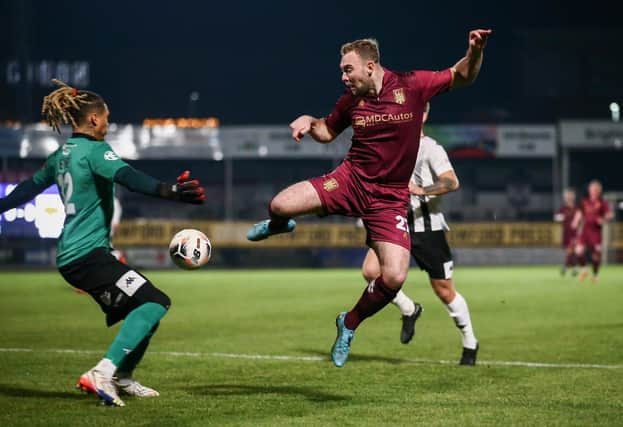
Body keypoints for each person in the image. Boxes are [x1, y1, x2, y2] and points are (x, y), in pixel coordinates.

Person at [246, 30, 491, 367]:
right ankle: (280, 224)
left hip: (389, 200)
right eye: (342, 71)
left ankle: (348, 323)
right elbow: (327, 132)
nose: (343, 77)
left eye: (348, 70)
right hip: (351, 180)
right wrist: (309, 120)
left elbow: (463, 75)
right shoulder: (351, 101)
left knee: (393, 276)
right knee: (279, 204)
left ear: (370, 66)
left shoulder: (413, 85)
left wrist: (475, 50)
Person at [0, 80, 206, 406]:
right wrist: (170, 191)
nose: (108, 123)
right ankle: (105, 372)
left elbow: (28, 189)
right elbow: (128, 176)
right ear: (94, 119)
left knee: (147, 307)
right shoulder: (96, 151)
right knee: (154, 303)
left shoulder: (61, 155)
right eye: (106, 117)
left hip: (75, 255)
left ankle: (123, 377)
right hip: (87, 256)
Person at [361, 102, 479, 365]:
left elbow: (452, 181)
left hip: (428, 230)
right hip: (394, 224)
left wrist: (421, 190)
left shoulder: (431, 149)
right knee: (371, 271)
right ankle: (409, 308)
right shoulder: (390, 147)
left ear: (424, 115)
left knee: (445, 291)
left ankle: (470, 342)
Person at [573, 180, 613, 283]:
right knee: (578, 251)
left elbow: (610, 215)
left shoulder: (602, 203)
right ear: (589, 190)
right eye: (591, 188)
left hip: (596, 233)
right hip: (585, 231)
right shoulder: (585, 201)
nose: (593, 190)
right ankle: (584, 269)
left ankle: (595, 276)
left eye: (595, 189)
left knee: (595, 256)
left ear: (599, 191)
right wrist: (575, 221)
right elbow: (579, 213)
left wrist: (603, 219)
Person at [554, 188, 579, 276]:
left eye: (570, 195)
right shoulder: (563, 208)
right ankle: (574, 267)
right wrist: (560, 217)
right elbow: (556, 217)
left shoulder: (577, 208)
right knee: (570, 251)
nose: (568, 197)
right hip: (566, 233)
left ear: (573, 196)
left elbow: (582, 219)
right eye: (567, 196)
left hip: (575, 233)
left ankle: (565, 267)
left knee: (571, 250)